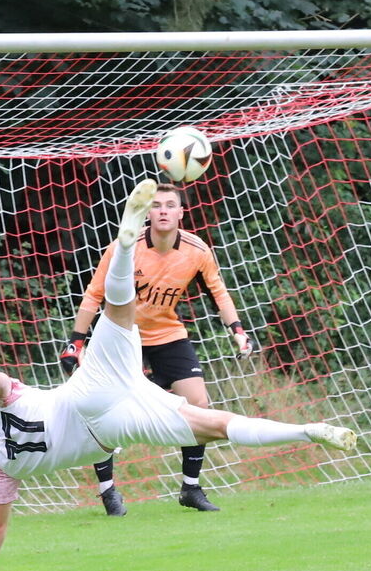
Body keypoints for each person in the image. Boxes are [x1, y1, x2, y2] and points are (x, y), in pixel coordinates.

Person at [0, 179, 356, 571]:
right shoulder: (6, 399)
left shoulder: (2, 465)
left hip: (114, 427)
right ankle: (126, 244)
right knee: (120, 309)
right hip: (91, 392)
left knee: (212, 426)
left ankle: (307, 431)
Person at [60, 183, 254, 515]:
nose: (163, 210)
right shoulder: (125, 247)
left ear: (181, 212)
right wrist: (76, 342)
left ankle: (190, 489)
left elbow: (219, 293)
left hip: (167, 334)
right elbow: (94, 293)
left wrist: (238, 331)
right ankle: (108, 493)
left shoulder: (197, 251)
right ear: (147, 213)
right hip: (122, 339)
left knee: (199, 404)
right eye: (156, 205)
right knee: (105, 413)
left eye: (170, 205)